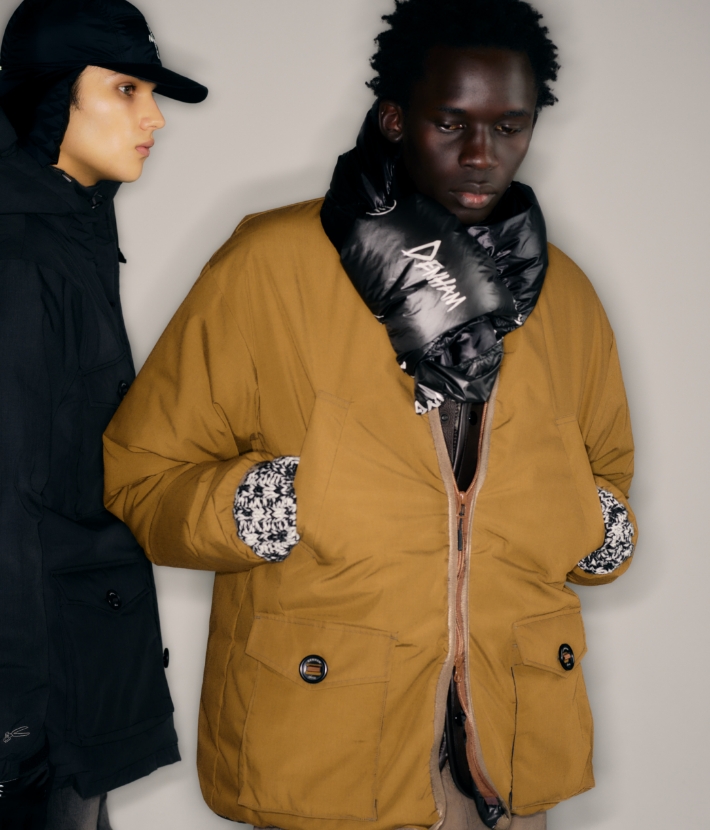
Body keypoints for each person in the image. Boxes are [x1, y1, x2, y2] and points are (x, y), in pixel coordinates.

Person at [103, 0, 636, 828]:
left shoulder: (565, 295)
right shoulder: (269, 265)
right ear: (395, 118)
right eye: (450, 122)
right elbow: (141, 477)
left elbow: (603, 481)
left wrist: (591, 524)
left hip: (509, 750)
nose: (481, 155)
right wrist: (276, 503)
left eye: (510, 126)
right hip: (328, 743)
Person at [0, 1, 207, 828]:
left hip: (75, 675)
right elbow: (8, 505)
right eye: (126, 89)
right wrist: (15, 728)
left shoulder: (70, 229)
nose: (154, 117)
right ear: (54, 96)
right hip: (41, 705)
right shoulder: (21, 258)